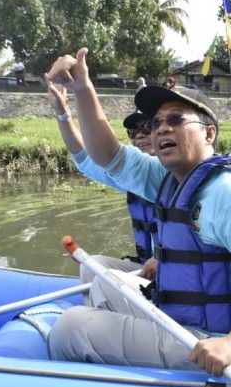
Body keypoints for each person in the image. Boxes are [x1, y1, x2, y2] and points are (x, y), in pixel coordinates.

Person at [44, 48, 231, 377]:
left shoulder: (229, 193)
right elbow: (108, 156)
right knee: (101, 283)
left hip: (214, 344)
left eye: (176, 119)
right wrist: (82, 88)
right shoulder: (169, 178)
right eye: (156, 123)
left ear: (209, 133)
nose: (161, 129)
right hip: (180, 321)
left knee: (70, 328)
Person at [46, 75, 158, 304]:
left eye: (147, 127)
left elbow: (110, 155)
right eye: (133, 131)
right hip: (147, 268)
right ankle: (97, 320)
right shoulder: (135, 178)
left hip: (178, 273)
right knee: (92, 265)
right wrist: (62, 112)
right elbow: (85, 159)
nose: (139, 135)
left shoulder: (176, 172)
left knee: (105, 287)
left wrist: (166, 259)